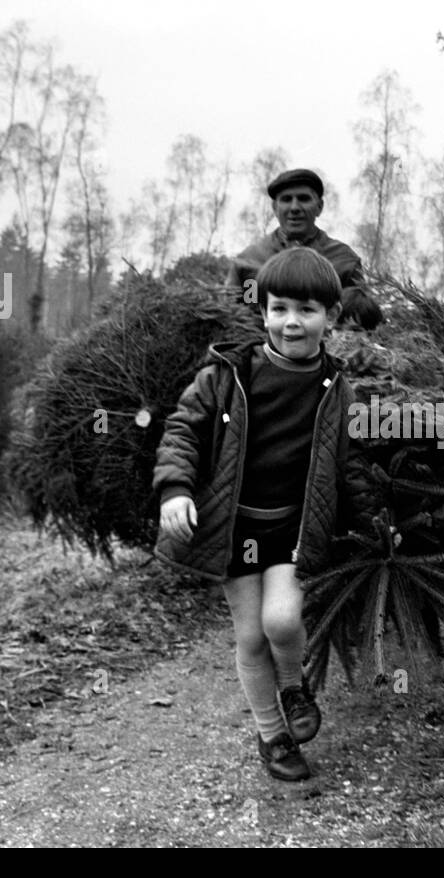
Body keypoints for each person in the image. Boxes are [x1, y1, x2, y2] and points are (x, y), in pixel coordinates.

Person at [154, 247, 381, 781]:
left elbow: (351, 464)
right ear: (263, 312)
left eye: (306, 310)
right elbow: (182, 429)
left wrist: (372, 522)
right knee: (250, 636)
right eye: (279, 308)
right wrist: (175, 491)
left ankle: (293, 686)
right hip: (234, 526)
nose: (291, 322)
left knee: (281, 619)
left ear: (331, 318)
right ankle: (273, 736)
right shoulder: (229, 373)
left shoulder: (338, 389)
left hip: (291, 526)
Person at [225, 168, 366, 294]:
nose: (294, 208)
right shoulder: (249, 261)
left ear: (319, 207)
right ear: (275, 208)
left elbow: (356, 315)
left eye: (304, 199)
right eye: (286, 200)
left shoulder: (344, 261)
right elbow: (237, 311)